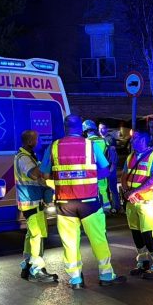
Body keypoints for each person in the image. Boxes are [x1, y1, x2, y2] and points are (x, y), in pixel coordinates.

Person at [41, 114, 127, 289]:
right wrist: (88, 175)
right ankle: (106, 275)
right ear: (80, 129)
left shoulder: (54, 147)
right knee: (98, 239)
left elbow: (45, 174)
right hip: (89, 202)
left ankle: (76, 279)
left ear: (65, 128)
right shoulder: (90, 145)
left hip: (65, 203)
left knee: (70, 242)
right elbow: (105, 171)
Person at [121, 131, 153, 279]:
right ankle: (143, 263)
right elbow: (124, 176)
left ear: (144, 141)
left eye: (135, 139)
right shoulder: (130, 157)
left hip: (145, 201)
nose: (132, 141)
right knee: (136, 234)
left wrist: (134, 192)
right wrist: (127, 192)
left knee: (148, 234)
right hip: (131, 201)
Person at [14, 130, 58, 283]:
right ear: (30, 142)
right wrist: (46, 158)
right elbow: (33, 174)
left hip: (32, 201)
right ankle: (37, 270)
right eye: (36, 140)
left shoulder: (28, 156)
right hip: (30, 201)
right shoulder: (23, 158)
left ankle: (27, 265)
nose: (38, 142)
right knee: (37, 235)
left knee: (31, 235)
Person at [82, 120, 112, 213]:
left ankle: (96, 209)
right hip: (102, 170)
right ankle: (107, 208)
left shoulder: (86, 142)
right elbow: (109, 154)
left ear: (85, 131)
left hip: (90, 171)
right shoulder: (103, 140)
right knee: (103, 190)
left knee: (92, 191)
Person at [99, 122, 121, 213]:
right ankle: (109, 206)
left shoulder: (110, 139)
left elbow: (113, 155)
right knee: (105, 188)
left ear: (107, 129)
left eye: (103, 128)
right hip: (105, 168)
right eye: (99, 128)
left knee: (112, 188)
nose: (101, 130)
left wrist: (112, 166)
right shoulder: (101, 139)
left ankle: (116, 207)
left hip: (110, 168)